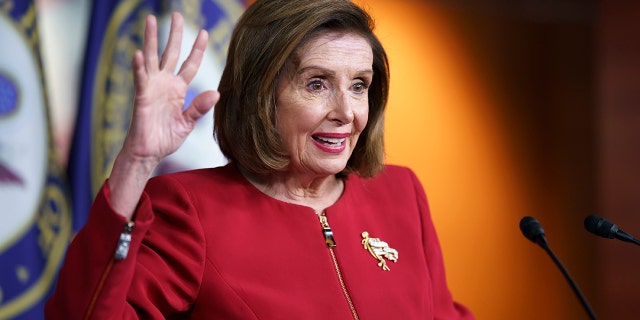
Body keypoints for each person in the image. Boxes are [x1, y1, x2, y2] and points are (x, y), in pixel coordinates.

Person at [46, 0, 474, 319]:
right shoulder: (190, 209)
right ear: (261, 95)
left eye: (359, 85)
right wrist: (135, 163)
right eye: (317, 84)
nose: (347, 112)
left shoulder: (401, 194)